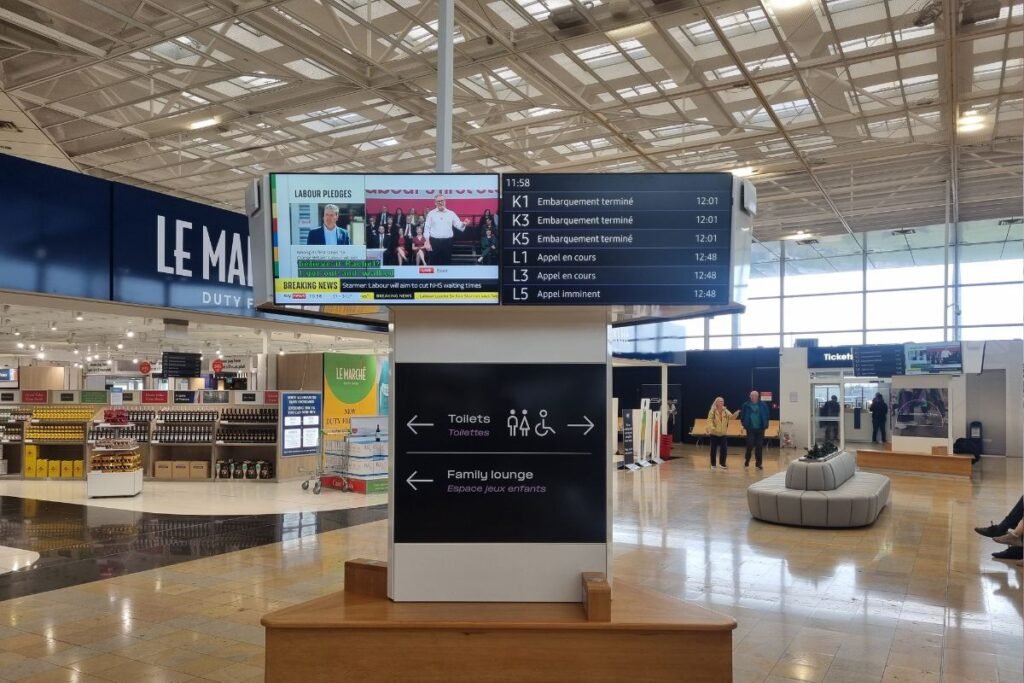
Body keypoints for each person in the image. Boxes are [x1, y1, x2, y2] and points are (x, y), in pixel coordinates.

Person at [423, 193, 464, 265]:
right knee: (433, 263)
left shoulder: (451, 213)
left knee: (447, 264)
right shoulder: (431, 214)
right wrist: (427, 242)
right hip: (434, 242)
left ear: (445, 201)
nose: (440, 202)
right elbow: (426, 229)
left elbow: (459, 226)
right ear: (435, 203)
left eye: (442, 200)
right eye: (438, 201)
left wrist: (464, 224)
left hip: (447, 243)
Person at [705, 397, 738, 470]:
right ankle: (713, 464)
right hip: (714, 434)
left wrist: (735, 414)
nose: (722, 402)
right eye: (720, 401)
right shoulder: (712, 410)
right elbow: (709, 420)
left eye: (722, 401)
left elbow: (732, 418)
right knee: (713, 450)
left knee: (724, 449)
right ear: (716, 402)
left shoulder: (725, 410)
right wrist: (712, 427)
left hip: (723, 434)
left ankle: (722, 463)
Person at [740, 390, 770, 469]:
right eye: (752, 395)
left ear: (758, 396)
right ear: (750, 396)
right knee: (750, 445)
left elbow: (767, 415)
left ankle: (758, 464)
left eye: (755, 395)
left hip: (760, 429)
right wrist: (744, 424)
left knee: (759, 446)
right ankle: (747, 461)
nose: (754, 397)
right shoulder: (746, 405)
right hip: (750, 428)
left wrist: (765, 424)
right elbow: (742, 416)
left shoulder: (763, 405)